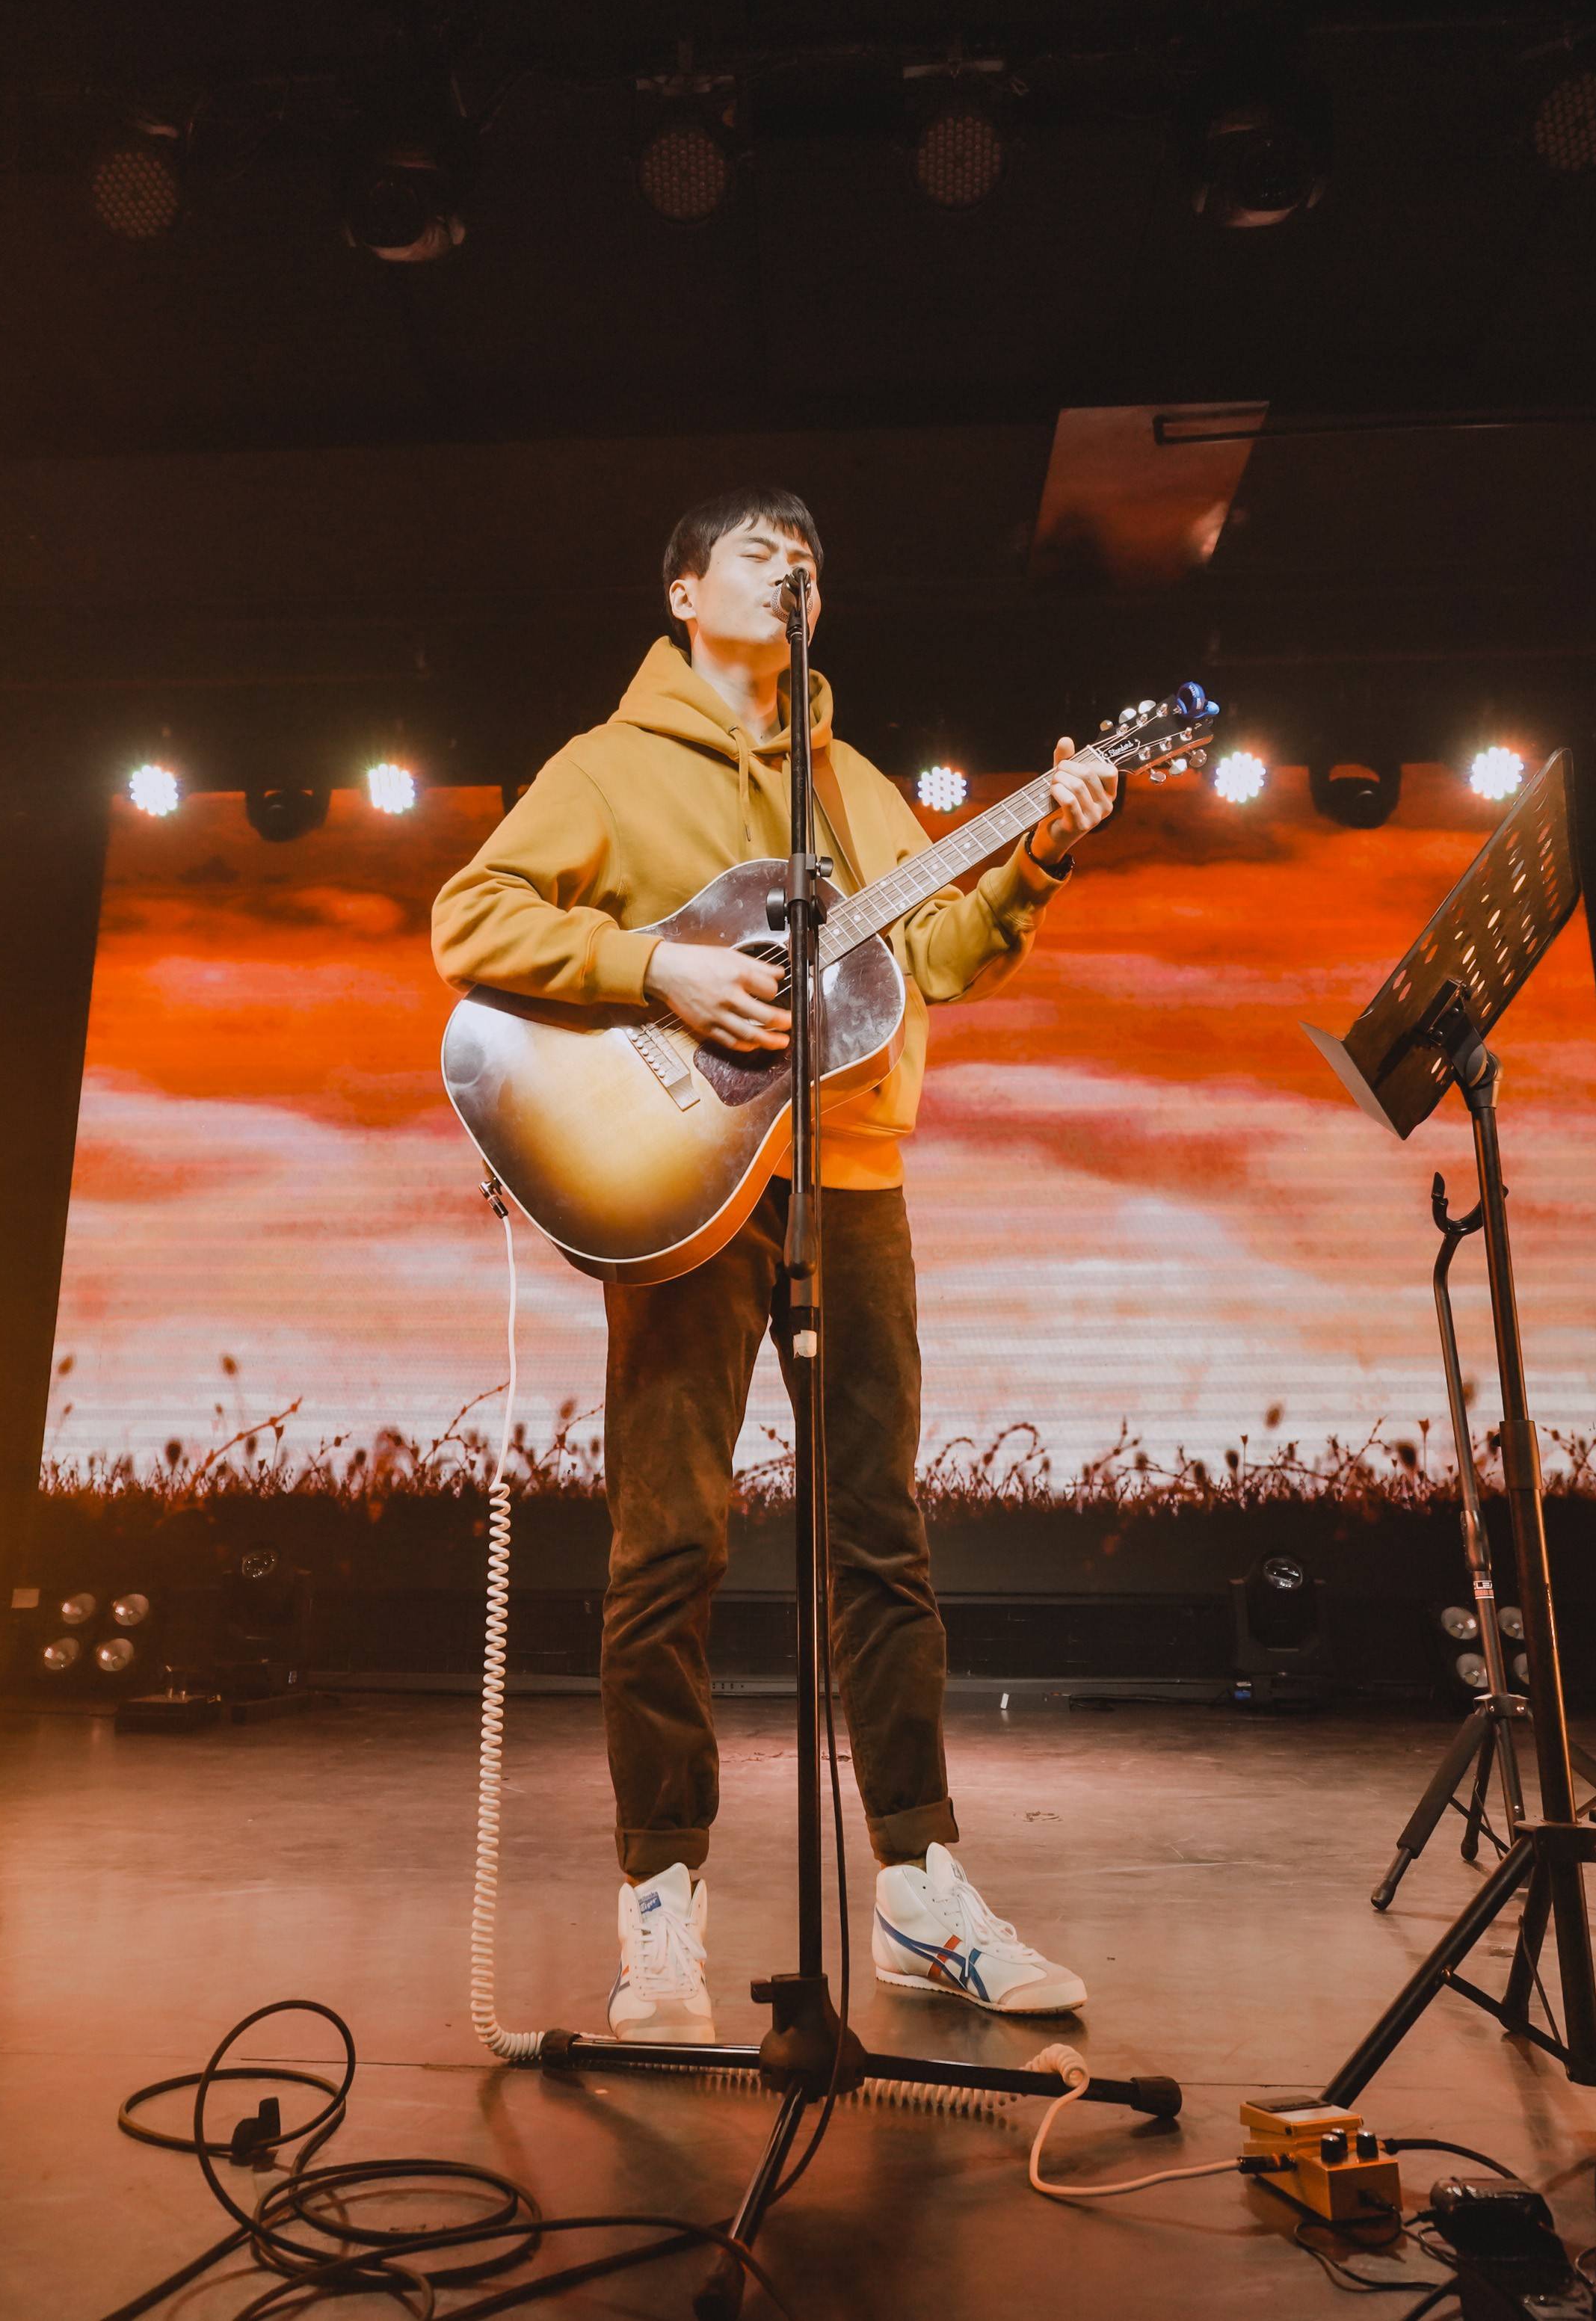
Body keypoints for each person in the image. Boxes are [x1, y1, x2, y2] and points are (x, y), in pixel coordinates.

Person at [430, 487, 1118, 2043]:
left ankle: (918, 1887)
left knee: (881, 1540)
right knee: (666, 1543)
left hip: (850, 1177)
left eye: (808, 547)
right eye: (754, 545)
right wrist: (654, 963)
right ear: (682, 591)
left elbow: (926, 959)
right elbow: (469, 919)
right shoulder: (604, 768)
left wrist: (1035, 859)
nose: (789, 560)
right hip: (681, 1189)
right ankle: (659, 1900)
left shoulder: (855, 784)